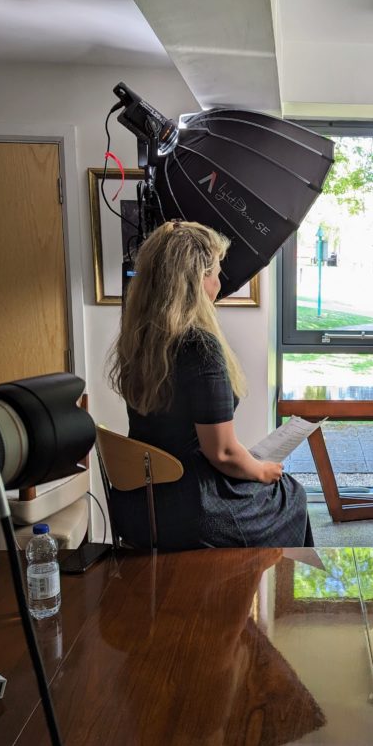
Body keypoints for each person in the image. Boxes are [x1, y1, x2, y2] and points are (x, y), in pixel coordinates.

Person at [108, 220, 311, 550]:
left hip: (139, 504)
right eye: (215, 273)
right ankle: (273, 597)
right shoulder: (199, 346)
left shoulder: (139, 340)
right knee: (291, 494)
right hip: (191, 507)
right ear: (196, 280)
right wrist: (261, 471)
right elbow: (223, 452)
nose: (218, 283)